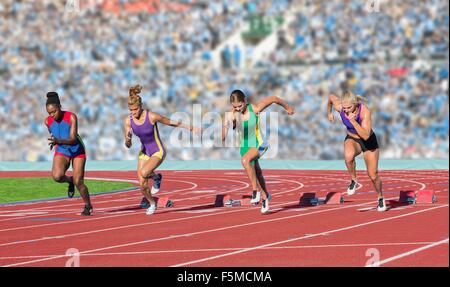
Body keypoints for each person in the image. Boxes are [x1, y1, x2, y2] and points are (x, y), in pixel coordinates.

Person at [124, 85, 198, 215]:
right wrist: (128, 140)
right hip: (144, 151)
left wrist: (189, 127)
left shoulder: (152, 116)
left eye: (135, 109)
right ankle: (152, 203)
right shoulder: (128, 121)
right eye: (131, 110)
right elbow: (128, 145)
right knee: (142, 183)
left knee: (145, 172)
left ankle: (157, 178)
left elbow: (170, 122)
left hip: (157, 151)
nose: (133, 112)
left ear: (141, 107)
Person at [222, 89, 295, 214]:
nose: (238, 108)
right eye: (235, 106)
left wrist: (287, 107)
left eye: (240, 105)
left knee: (245, 161)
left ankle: (255, 192)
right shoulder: (231, 114)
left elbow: (274, 98)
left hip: (259, 143)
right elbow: (223, 135)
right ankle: (265, 196)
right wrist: (225, 127)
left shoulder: (254, 108)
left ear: (245, 101)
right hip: (245, 147)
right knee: (257, 173)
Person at [327, 90, 387, 212]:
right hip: (352, 139)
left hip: (368, 142)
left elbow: (365, 136)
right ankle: (354, 180)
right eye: (344, 108)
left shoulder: (364, 112)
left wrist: (353, 121)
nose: (346, 110)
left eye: (349, 107)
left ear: (355, 104)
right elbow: (331, 98)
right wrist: (329, 113)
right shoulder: (340, 107)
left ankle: (380, 198)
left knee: (373, 175)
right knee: (348, 157)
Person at [45, 92, 93, 216]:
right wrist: (54, 142)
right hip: (62, 150)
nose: (52, 115)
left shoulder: (71, 117)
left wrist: (57, 141)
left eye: (54, 111)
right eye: (49, 113)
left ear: (59, 106)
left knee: (79, 182)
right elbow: (54, 134)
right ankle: (69, 181)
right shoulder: (47, 122)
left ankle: (88, 205)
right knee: (57, 176)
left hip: (77, 150)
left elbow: (72, 139)